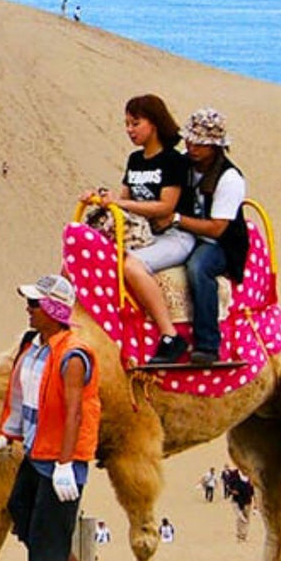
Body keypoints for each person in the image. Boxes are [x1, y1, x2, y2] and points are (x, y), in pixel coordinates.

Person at [0, 274, 116, 561]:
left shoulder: (73, 355)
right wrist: (7, 434)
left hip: (61, 460)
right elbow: (22, 395)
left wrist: (64, 464)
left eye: (34, 304)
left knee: (48, 534)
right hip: (34, 450)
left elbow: (74, 412)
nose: (28, 310)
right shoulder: (34, 347)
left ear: (53, 309)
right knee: (24, 518)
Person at [82, 94, 193, 362]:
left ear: (153, 123)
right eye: (127, 124)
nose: (129, 130)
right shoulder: (135, 160)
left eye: (135, 123)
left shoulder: (173, 161)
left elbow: (166, 206)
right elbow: (125, 200)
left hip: (174, 235)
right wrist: (101, 199)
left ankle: (170, 336)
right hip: (143, 234)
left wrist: (121, 203)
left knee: (131, 266)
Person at [171, 108, 249, 365]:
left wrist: (176, 220)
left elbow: (217, 228)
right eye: (190, 140)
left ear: (215, 147)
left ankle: (207, 344)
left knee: (198, 268)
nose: (191, 146)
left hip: (219, 244)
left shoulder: (229, 179)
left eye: (200, 143)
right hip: (183, 235)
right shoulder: (183, 164)